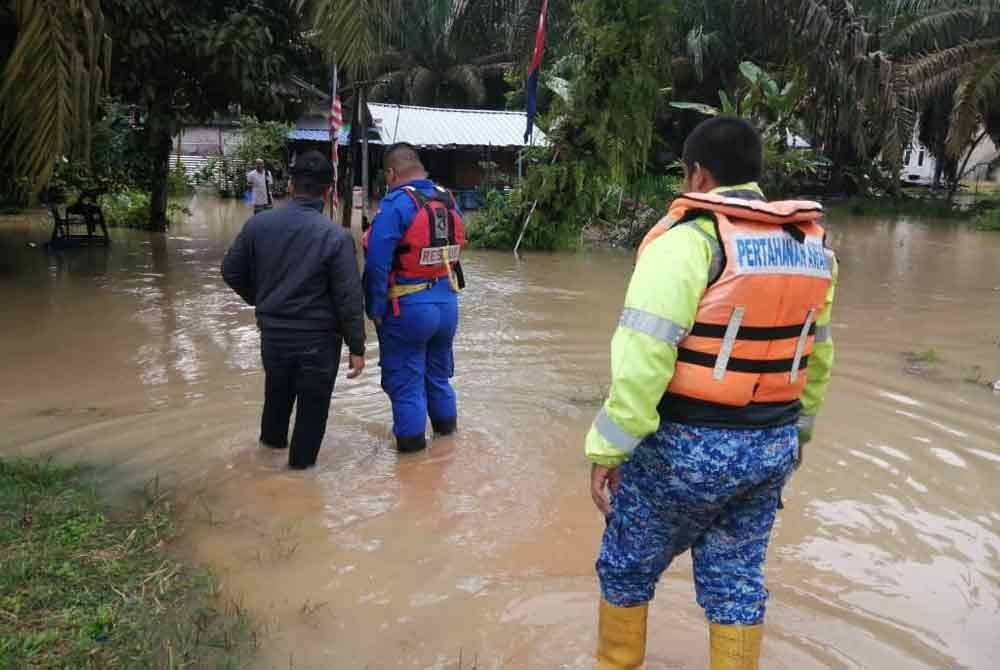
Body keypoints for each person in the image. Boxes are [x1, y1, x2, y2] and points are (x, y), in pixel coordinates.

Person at [587, 117, 837, 669]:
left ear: (697, 174)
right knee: (737, 581)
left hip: (687, 448)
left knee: (626, 568)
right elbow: (818, 357)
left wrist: (609, 450)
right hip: (772, 446)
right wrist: (799, 437)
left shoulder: (689, 241)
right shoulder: (814, 250)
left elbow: (643, 358)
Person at [222, 150, 366, 470]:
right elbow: (349, 298)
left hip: (273, 336)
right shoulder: (336, 237)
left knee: (276, 400)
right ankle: (299, 478)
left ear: (290, 185)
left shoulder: (258, 225)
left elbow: (230, 271)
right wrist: (357, 347)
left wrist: (261, 299)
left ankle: (265, 465)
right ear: (329, 191)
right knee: (312, 413)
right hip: (318, 342)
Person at [363, 143, 465, 453]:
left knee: (406, 385)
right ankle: (448, 446)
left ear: (391, 174)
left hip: (408, 309)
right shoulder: (448, 200)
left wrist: (375, 309)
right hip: (447, 306)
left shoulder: (396, 205)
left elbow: (377, 263)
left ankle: (411, 463)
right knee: (438, 378)